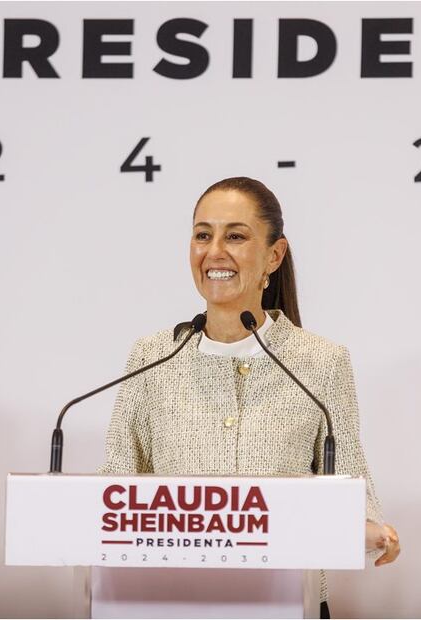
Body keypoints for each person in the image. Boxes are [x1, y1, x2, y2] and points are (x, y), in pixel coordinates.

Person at [100, 176, 400, 616]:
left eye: (235, 236)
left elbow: (351, 485)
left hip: (288, 604)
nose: (214, 251)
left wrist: (368, 527)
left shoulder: (321, 361)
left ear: (273, 256)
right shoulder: (151, 358)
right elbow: (114, 489)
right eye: (203, 235)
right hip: (172, 603)